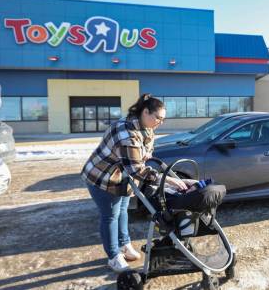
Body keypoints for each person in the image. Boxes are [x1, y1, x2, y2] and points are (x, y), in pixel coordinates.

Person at [81, 93, 195, 272]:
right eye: (158, 117)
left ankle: (124, 244)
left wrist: (146, 153)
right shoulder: (126, 133)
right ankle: (113, 256)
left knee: (123, 211)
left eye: (163, 119)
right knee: (110, 216)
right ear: (145, 112)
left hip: (123, 176)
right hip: (102, 177)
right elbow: (137, 170)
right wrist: (168, 181)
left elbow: (147, 148)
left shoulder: (144, 126)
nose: (160, 122)